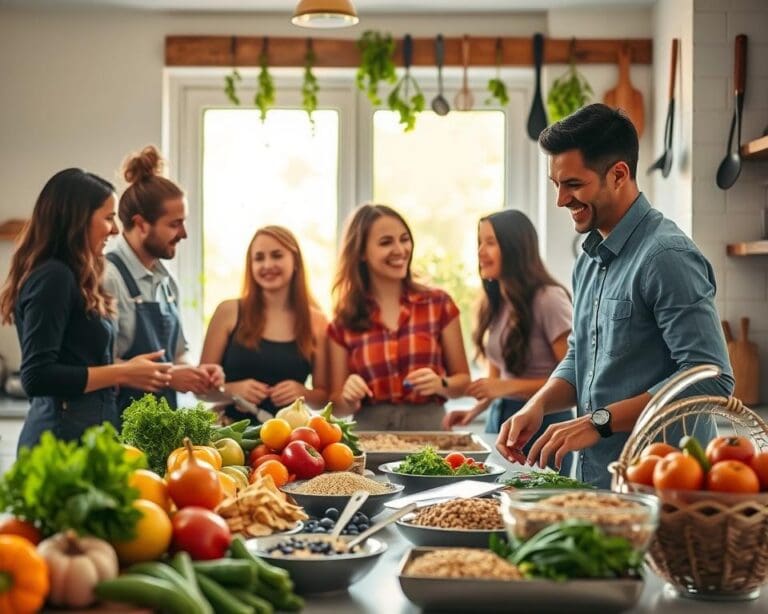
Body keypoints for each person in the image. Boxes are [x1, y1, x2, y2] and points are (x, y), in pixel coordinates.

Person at [496, 104, 734, 488]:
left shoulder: (666, 256)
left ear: (619, 174)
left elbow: (712, 381)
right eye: (556, 184)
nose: (561, 200)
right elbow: (581, 358)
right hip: (596, 483)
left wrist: (597, 422)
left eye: (573, 184)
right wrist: (537, 404)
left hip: (664, 489)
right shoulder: (589, 260)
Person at [0, 169, 173, 449]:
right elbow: (37, 376)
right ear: (77, 220)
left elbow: (75, 361)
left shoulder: (73, 276)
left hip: (86, 435)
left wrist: (128, 369)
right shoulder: (54, 277)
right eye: (108, 218)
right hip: (59, 441)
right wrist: (123, 372)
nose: (115, 229)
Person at [443, 210, 574, 475]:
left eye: (490, 242)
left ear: (516, 247)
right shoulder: (495, 302)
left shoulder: (549, 299)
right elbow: (496, 378)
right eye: (479, 242)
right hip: (499, 424)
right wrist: (474, 410)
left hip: (542, 427)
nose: (481, 251)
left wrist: (503, 387)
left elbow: (574, 378)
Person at [328, 204, 470, 430]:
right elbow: (336, 405)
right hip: (370, 437)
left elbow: (463, 382)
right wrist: (347, 394)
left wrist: (441, 384)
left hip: (431, 436)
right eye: (386, 242)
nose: (400, 249)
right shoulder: (344, 320)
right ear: (361, 252)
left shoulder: (438, 304)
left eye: (404, 239)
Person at [103, 146, 223, 413]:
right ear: (142, 224)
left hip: (160, 429)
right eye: (174, 224)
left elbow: (178, 354)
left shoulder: (167, 283)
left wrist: (197, 374)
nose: (184, 234)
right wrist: (170, 376)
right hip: (117, 429)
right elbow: (98, 369)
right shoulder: (107, 278)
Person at [200, 225, 329, 423]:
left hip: (289, 439)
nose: (267, 265)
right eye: (259, 258)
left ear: (295, 262)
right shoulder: (228, 311)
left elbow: (323, 397)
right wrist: (232, 390)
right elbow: (201, 389)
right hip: (228, 433)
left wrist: (303, 393)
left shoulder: (317, 321)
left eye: (277, 255)